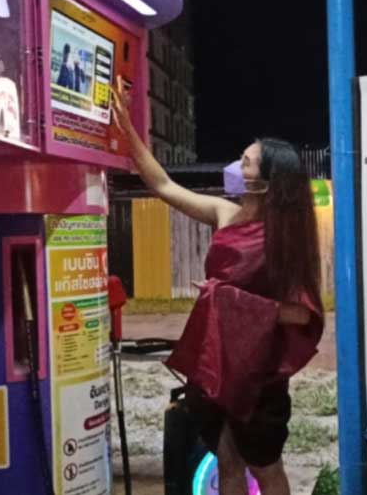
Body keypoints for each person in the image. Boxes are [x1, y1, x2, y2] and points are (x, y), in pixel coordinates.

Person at [110, 77, 323, 495]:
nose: (236, 167)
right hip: (220, 363)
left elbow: (301, 313)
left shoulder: (286, 240)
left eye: (246, 162)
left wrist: (226, 300)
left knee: (265, 466)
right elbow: (164, 185)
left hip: (259, 373)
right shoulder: (225, 213)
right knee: (226, 459)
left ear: (267, 181)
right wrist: (128, 133)